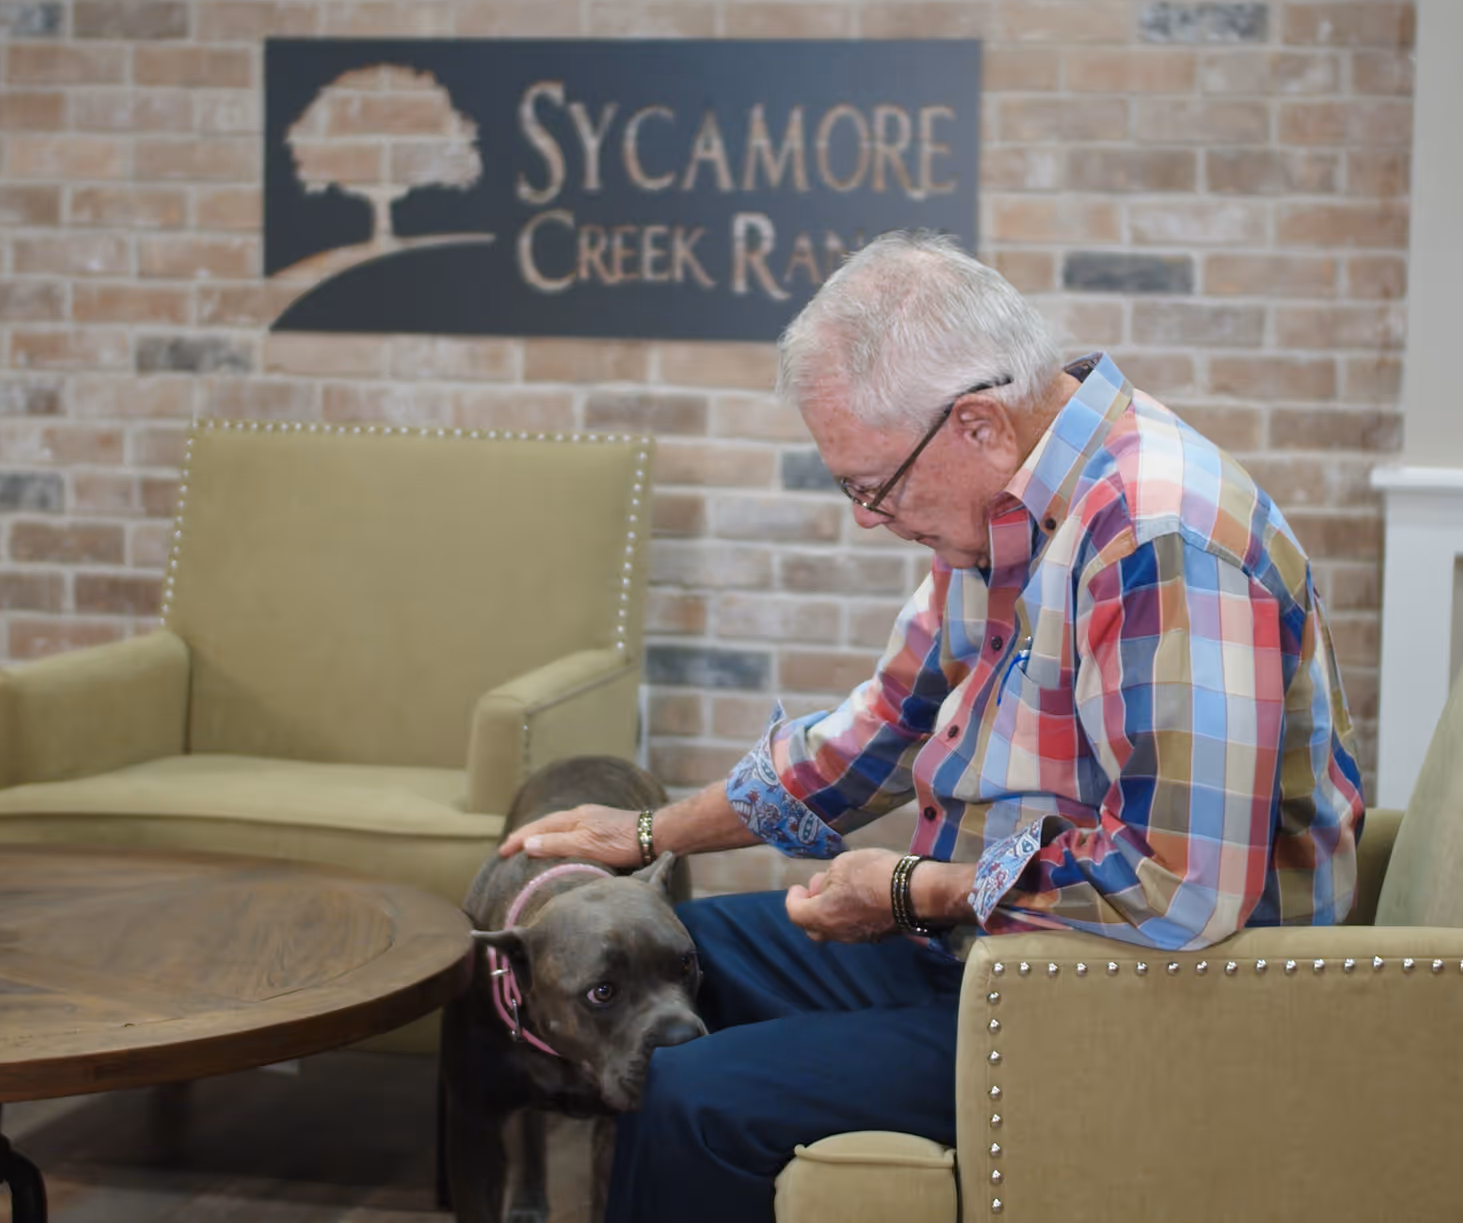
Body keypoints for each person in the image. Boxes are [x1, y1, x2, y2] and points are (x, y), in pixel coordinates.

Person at [498, 230, 1366, 1222]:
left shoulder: (1160, 537)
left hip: (1137, 997)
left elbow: (1177, 888)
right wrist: (649, 834)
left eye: (873, 485)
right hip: (989, 939)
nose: (868, 516)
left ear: (976, 423)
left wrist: (914, 891)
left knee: (698, 1098)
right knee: (668, 955)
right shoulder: (1013, 502)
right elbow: (872, 732)